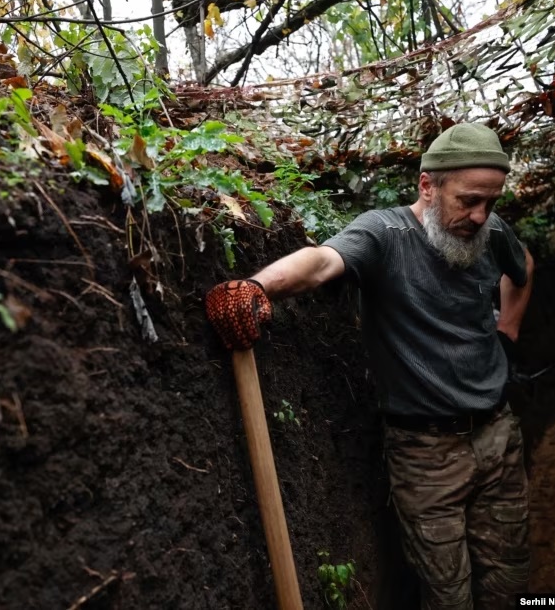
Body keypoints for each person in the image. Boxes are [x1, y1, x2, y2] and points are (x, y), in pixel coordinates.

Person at [205, 123, 535, 610]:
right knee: (450, 596)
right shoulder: (386, 234)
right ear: (428, 185)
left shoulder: (492, 231)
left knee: (510, 581)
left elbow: (523, 267)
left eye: (491, 201)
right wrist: (256, 288)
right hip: (426, 456)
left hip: (499, 437)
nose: (480, 214)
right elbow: (320, 263)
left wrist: (508, 330)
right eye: (468, 200)